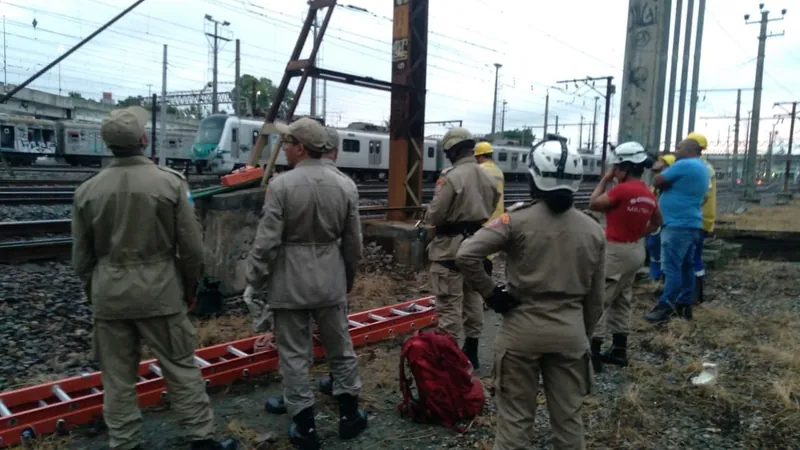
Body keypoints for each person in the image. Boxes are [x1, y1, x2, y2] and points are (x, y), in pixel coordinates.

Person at [71, 106, 237, 450]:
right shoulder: (170, 183)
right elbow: (192, 249)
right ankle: (201, 439)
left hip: (109, 296)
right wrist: (189, 289)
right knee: (180, 368)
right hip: (161, 292)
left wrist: (96, 292)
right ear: (144, 141)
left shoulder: (86, 192)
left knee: (117, 379)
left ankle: (125, 442)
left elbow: (82, 258)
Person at [455, 134, 605, 450]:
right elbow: (596, 299)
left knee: (514, 422)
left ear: (532, 177)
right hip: (570, 331)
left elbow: (466, 254)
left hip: (521, 330)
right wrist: (582, 333)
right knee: (568, 422)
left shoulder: (516, 220)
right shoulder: (593, 230)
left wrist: (491, 293)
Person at [245, 117, 366, 450]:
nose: (284, 148)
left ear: (300, 147)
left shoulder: (281, 186)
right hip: (330, 279)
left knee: (295, 356)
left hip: (290, 282)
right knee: (341, 350)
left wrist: (254, 279)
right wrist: (347, 278)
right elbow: (354, 243)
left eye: (287, 143)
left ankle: (304, 427)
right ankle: (349, 415)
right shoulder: (345, 185)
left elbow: (266, 243)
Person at [424, 127, 500, 369]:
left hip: (449, 248)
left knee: (448, 304)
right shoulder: (487, 176)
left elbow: (436, 214)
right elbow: (494, 202)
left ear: (453, 150)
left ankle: (449, 361)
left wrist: (430, 213)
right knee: (472, 300)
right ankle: (473, 351)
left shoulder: (451, 177)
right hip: (476, 246)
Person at [588, 142, 662, 372]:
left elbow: (593, 203)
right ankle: (619, 350)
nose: (614, 170)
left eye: (617, 167)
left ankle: (594, 354)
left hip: (615, 251)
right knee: (622, 299)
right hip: (636, 250)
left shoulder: (622, 189)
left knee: (598, 298)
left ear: (626, 168)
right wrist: (638, 232)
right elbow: (657, 222)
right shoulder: (648, 193)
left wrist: (604, 179)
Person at [644, 137, 710, 324]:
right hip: (691, 223)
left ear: (689, 150)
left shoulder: (684, 164)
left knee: (671, 267)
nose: (676, 151)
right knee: (686, 266)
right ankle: (684, 305)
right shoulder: (701, 166)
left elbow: (658, 181)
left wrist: (661, 171)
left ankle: (666, 306)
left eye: (679, 147)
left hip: (677, 225)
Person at [686, 132, 717, 304]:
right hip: (702, 218)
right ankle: (696, 295)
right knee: (694, 257)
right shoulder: (705, 166)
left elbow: (703, 194)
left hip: (698, 219)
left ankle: (694, 296)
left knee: (692, 257)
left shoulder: (701, 167)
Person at [474, 141, 505, 286]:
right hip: (497, 216)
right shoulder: (498, 171)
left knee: (478, 256)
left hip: (483, 216)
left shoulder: (479, 170)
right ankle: (487, 290)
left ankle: (480, 292)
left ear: (479, 156)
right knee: (489, 256)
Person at [644, 153, 676, 281]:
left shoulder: (668, 185)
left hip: (664, 221)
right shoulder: (657, 183)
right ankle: (655, 275)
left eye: (663, 164)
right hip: (656, 220)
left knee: (659, 248)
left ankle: (659, 275)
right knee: (653, 248)